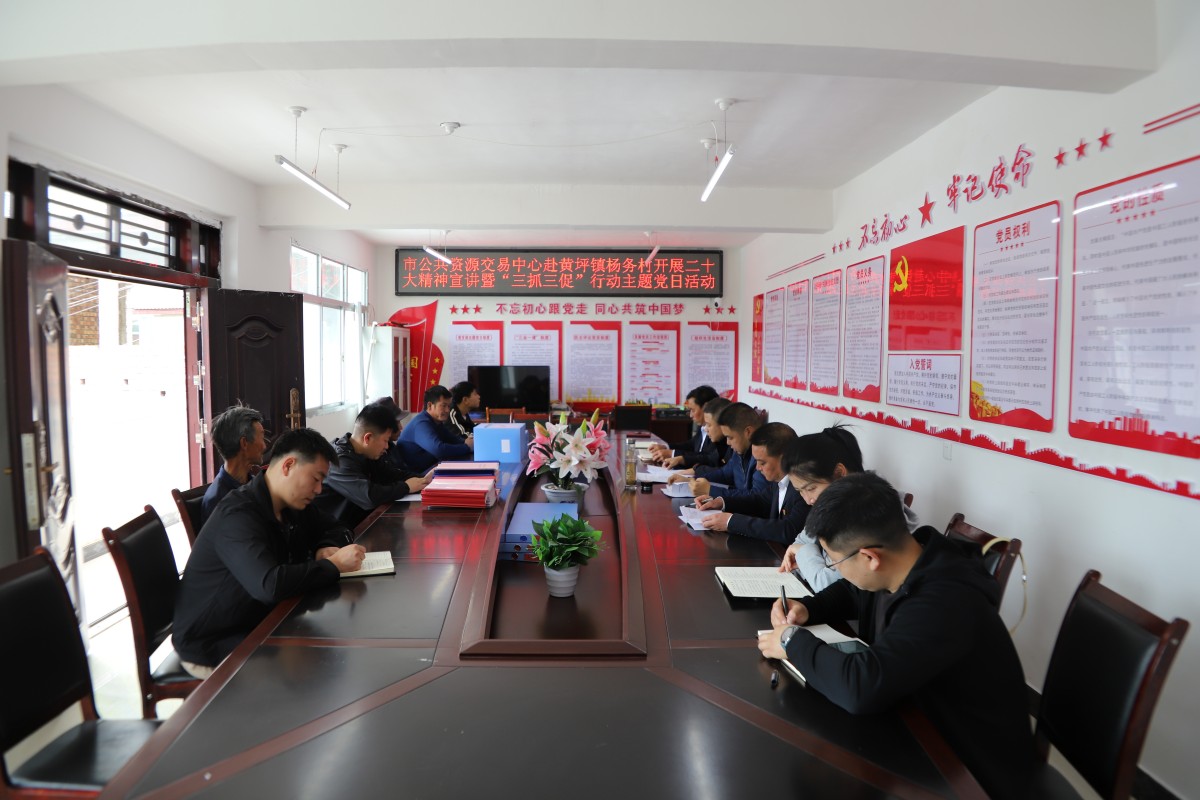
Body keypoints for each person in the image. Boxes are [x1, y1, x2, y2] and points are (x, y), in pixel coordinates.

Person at [758, 472, 1034, 799]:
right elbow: (855, 590)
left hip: (969, 765)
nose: (835, 568)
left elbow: (862, 686)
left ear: (870, 557)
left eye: (834, 561)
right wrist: (808, 608)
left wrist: (791, 641)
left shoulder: (944, 601)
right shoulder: (909, 559)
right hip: (917, 722)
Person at [174, 428, 366, 678]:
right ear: (288, 465)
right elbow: (269, 585)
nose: (319, 489)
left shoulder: (291, 504)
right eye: (316, 479)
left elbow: (339, 527)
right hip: (215, 642)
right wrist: (334, 565)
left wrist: (324, 547)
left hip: (261, 621)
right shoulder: (238, 515)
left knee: (337, 654)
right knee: (319, 674)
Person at [777, 425, 920, 591]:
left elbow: (829, 585)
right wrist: (808, 559)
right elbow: (801, 541)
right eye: (800, 491)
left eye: (811, 488)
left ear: (839, 473)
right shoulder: (833, 506)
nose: (808, 500)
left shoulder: (866, 512)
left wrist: (804, 553)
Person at [312, 402, 433, 527]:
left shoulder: (367, 453)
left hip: (362, 522)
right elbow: (368, 496)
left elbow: (391, 475)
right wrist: (406, 487)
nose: (387, 446)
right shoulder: (338, 461)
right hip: (335, 531)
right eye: (385, 440)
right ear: (367, 438)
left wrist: (427, 480)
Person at [698, 422, 808, 543]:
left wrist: (731, 522)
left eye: (762, 462)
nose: (757, 468)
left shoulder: (804, 488)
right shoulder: (777, 481)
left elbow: (789, 530)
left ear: (784, 458)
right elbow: (759, 501)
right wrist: (722, 502)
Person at [673, 402, 767, 503]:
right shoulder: (740, 450)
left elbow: (756, 497)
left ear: (748, 432)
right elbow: (724, 473)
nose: (727, 442)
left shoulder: (762, 457)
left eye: (730, 437)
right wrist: (693, 481)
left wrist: (710, 490)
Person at [201, 404, 267, 524]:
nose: (264, 446)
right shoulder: (218, 501)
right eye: (262, 437)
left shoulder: (252, 482)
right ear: (244, 443)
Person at [396, 385, 474, 472]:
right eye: (443, 406)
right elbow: (439, 450)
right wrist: (466, 447)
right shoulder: (421, 423)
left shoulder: (436, 421)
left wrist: (466, 442)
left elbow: (452, 439)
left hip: (430, 468)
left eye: (449, 406)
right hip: (418, 475)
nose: (447, 410)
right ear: (430, 405)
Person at [647, 385, 719, 464]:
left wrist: (672, 454)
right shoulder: (702, 427)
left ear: (706, 407)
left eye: (693, 410)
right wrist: (666, 447)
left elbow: (707, 457)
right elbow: (691, 445)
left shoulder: (718, 431)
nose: (690, 415)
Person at [658, 396, 731, 470]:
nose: (706, 429)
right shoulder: (718, 440)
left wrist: (694, 470)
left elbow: (722, 471)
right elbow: (710, 459)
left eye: (709, 425)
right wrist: (680, 460)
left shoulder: (729, 446)